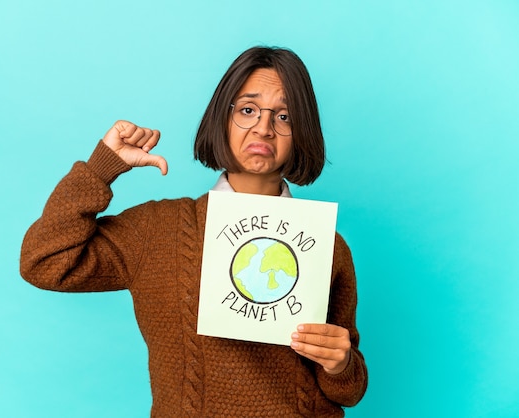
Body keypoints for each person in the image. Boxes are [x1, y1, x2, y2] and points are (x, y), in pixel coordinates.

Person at [20, 46, 368, 417]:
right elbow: (45, 262)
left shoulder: (327, 246)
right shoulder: (157, 231)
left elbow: (348, 389)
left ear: (302, 133)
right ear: (222, 117)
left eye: (284, 116)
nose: (264, 128)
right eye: (248, 110)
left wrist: (340, 364)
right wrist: (101, 169)